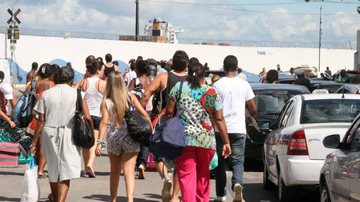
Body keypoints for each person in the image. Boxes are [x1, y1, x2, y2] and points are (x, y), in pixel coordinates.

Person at [166, 62, 231, 202]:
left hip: (185, 140)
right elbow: (219, 119)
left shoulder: (179, 88)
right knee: (203, 176)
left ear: (188, 74)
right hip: (206, 141)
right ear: (204, 76)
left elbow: (169, 112)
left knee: (187, 178)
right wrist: (226, 142)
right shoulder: (211, 92)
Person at [30, 66, 94, 202]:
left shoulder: (47, 94)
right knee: (65, 171)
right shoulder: (77, 94)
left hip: (49, 132)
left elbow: (40, 120)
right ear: (71, 79)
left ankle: (55, 198)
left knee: (53, 170)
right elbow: (88, 117)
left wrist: (34, 143)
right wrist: (91, 137)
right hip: (69, 133)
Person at [95, 72, 151, 202]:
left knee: (114, 171)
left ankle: (113, 199)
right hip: (130, 136)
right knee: (129, 171)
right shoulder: (131, 97)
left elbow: (104, 122)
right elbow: (145, 116)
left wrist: (99, 142)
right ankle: (130, 199)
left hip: (114, 136)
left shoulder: (107, 101)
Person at [141, 50, 189, 202]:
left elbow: (145, 95)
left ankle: (165, 179)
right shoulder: (190, 80)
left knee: (159, 155)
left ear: (172, 63)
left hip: (165, 120)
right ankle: (175, 196)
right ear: (186, 64)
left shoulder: (163, 77)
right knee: (179, 160)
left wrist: (142, 112)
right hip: (183, 122)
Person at [213, 55, 257, 202]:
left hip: (221, 129)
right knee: (238, 161)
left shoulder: (217, 85)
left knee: (220, 163)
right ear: (237, 68)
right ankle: (237, 184)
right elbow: (253, 107)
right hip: (239, 128)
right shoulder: (244, 84)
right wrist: (251, 115)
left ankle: (221, 195)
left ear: (224, 67)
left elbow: (212, 107)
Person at [74, 59, 106, 178]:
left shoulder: (83, 82)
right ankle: (90, 164)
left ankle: (86, 166)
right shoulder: (103, 83)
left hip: (85, 115)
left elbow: (74, 91)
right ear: (98, 70)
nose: (103, 71)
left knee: (85, 141)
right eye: (102, 69)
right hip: (98, 115)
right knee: (94, 141)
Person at [27, 63, 59, 179]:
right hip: (46, 116)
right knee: (44, 145)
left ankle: (36, 167)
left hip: (35, 115)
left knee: (37, 142)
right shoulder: (52, 84)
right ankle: (40, 170)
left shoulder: (36, 84)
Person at [128, 59, 151, 179]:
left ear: (137, 70)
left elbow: (127, 94)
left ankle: (135, 163)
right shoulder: (150, 81)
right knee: (146, 139)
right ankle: (142, 163)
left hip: (137, 111)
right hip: (149, 111)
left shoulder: (135, 81)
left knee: (136, 137)